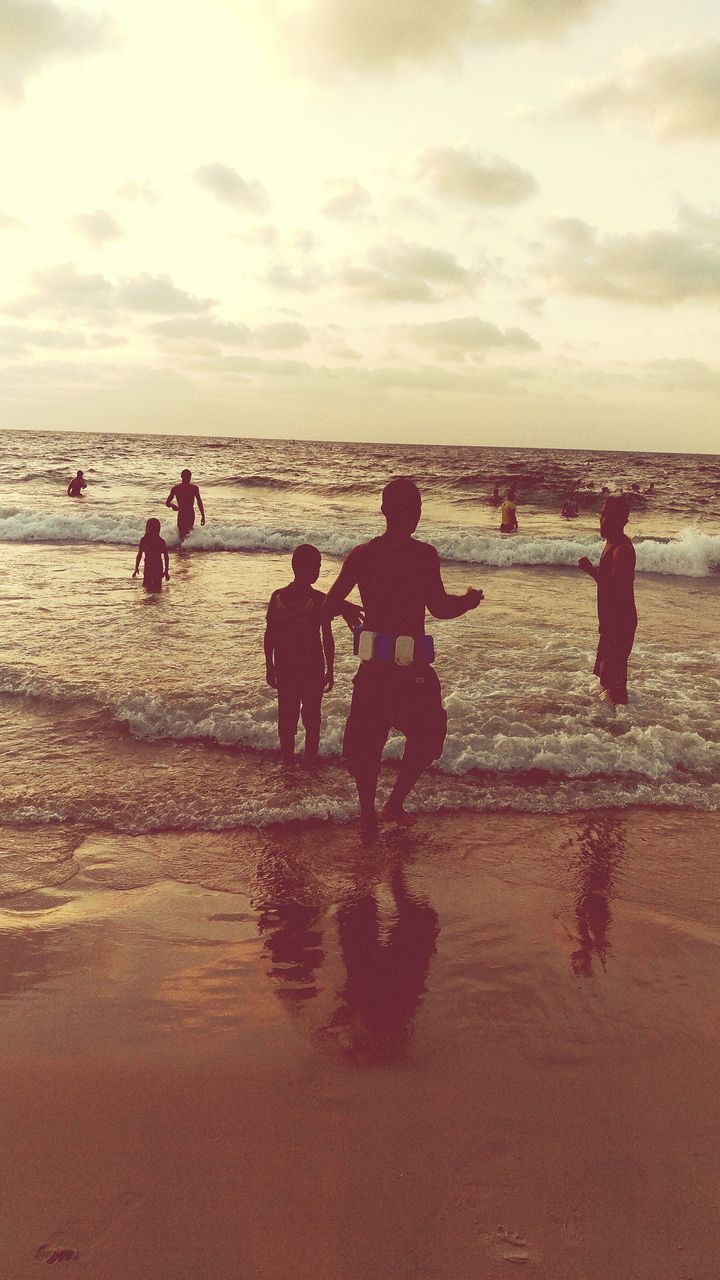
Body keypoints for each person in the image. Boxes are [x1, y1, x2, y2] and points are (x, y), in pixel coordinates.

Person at [323, 477, 484, 838]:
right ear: (414, 514)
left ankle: (370, 814)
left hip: (376, 668)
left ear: (384, 511)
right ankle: (392, 804)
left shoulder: (362, 555)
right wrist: (469, 600)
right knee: (426, 738)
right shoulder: (423, 555)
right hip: (411, 670)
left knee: (366, 746)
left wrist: (348, 607)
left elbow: (329, 604)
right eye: (414, 509)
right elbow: (440, 608)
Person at [264, 544, 336, 766]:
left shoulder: (278, 597)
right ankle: (309, 761)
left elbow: (270, 636)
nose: (318, 571)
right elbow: (327, 638)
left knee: (287, 716)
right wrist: (330, 669)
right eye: (317, 567)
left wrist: (270, 666)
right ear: (307, 568)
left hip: (285, 666)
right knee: (312, 717)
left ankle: (288, 761)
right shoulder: (319, 599)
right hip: (312, 667)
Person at [578, 495, 637, 705]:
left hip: (620, 623)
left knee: (616, 682)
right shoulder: (610, 543)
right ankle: (610, 722)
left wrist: (590, 570)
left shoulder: (622, 550)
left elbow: (615, 589)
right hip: (611, 622)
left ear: (622, 521)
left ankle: (624, 727)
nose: (602, 520)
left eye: (608, 516)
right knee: (607, 677)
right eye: (602, 514)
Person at [166, 469, 205, 540]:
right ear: (182, 477)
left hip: (188, 514)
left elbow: (199, 502)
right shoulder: (176, 489)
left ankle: (184, 549)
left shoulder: (193, 488)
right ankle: (186, 549)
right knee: (185, 534)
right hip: (184, 514)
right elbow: (167, 503)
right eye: (186, 477)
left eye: (189, 477)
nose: (188, 479)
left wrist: (203, 516)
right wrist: (172, 505)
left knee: (185, 534)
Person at [133, 518, 170, 592]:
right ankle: (151, 601)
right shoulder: (144, 540)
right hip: (148, 567)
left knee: (157, 588)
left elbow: (166, 556)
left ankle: (153, 601)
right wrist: (136, 568)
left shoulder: (160, 541)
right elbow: (139, 554)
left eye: (154, 527)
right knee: (147, 587)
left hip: (157, 568)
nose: (152, 529)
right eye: (150, 527)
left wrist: (166, 571)